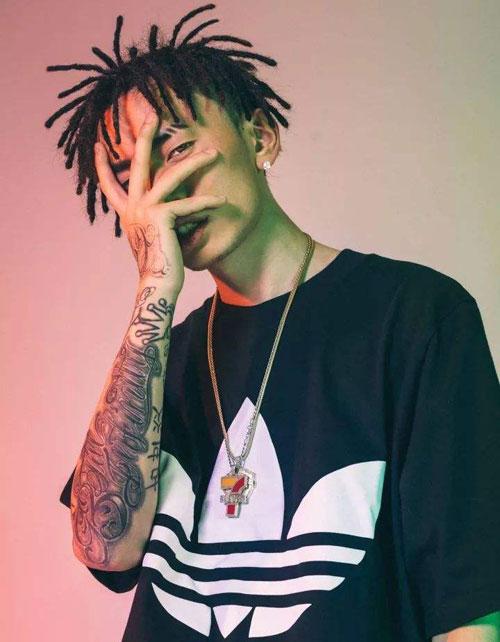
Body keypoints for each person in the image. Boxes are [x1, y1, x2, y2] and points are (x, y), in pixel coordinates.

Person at [47, 4, 500, 641]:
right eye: (133, 177)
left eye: (177, 150)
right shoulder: (164, 355)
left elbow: (468, 601)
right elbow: (105, 548)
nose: (160, 192)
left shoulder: (416, 315)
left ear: (260, 137)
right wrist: (154, 289)